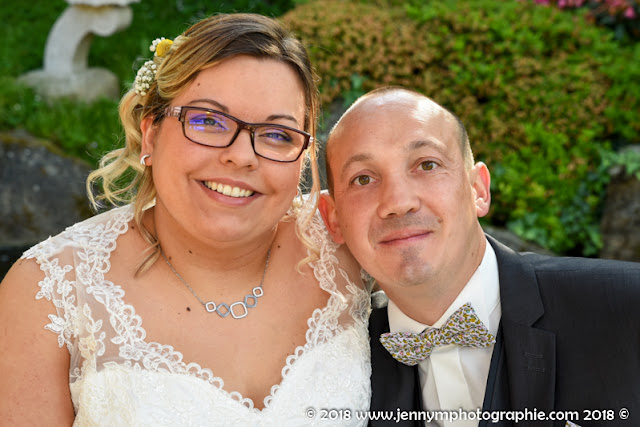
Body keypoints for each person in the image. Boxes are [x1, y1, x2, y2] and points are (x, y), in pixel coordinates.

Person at [0, 14, 371, 425]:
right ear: (151, 135)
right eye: (208, 121)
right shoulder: (48, 292)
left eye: (277, 134)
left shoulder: (349, 236)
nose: (242, 155)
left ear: (302, 157)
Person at [319, 86, 640, 426]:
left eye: (427, 164)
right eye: (363, 178)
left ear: (478, 191)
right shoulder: (336, 370)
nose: (398, 202)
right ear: (334, 219)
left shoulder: (627, 309)